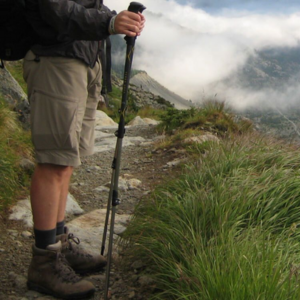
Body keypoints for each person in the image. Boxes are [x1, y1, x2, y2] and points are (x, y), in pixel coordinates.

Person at [22, 0, 145, 299]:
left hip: (83, 59)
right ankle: (44, 262)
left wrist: (115, 20)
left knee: (66, 160)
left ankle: (59, 243)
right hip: (56, 59)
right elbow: (54, 10)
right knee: (54, 161)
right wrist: (109, 23)